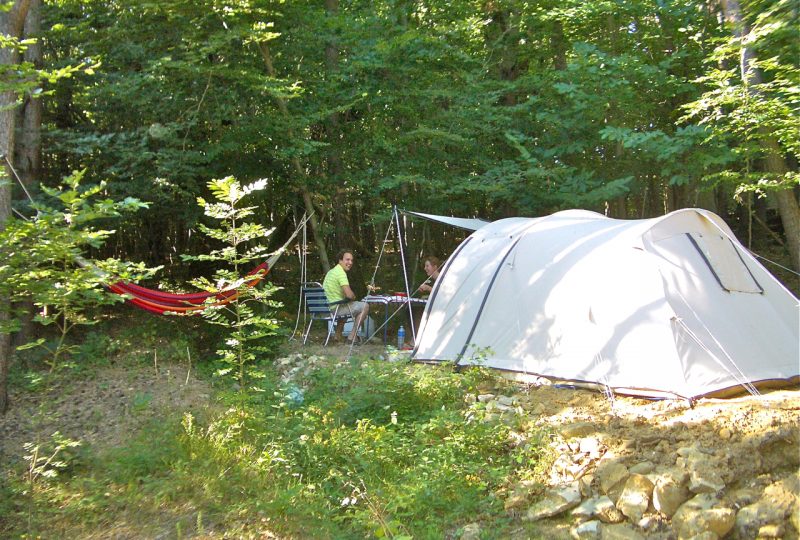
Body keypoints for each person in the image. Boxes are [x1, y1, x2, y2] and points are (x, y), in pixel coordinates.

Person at [323, 249, 370, 343]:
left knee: (346, 303)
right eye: (347, 260)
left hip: (325, 307)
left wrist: (349, 298)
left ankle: (337, 335)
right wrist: (353, 296)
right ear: (340, 260)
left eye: (351, 260)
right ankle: (352, 336)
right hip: (334, 308)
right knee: (365, 306)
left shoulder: (331, 272)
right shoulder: (340, 273)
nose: (350, 262)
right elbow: (349, 295)